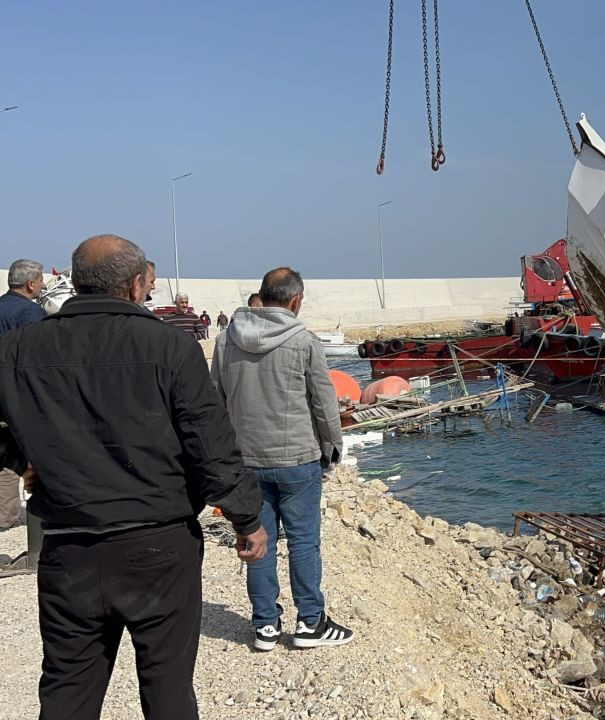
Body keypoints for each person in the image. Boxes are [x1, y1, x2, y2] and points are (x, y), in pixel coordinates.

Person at [0, 234, 266, 720]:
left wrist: (22, 460)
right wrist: (247, 517)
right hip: (158, 543)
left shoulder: (19, 348)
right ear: (136, 283)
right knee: (167, 689)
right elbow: (209, 440)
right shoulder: (169, 345)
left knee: (68, 690)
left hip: (68, 543)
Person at [211, 267, 351, 652]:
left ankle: (265, 626)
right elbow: (323, 403)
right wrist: (332, 448)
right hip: (297, 458)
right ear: (295, 301)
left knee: (259, 539)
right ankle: (310, 622)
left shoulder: (226, 340)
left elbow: (216, 403)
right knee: (304, 541)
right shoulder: (303, 341)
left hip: (247, 460)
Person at [0, 259, 45, 532]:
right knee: (13, 458)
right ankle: (8, 518)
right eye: (40, 280)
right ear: (31, 283)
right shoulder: (30, 312)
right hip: (16, 395)